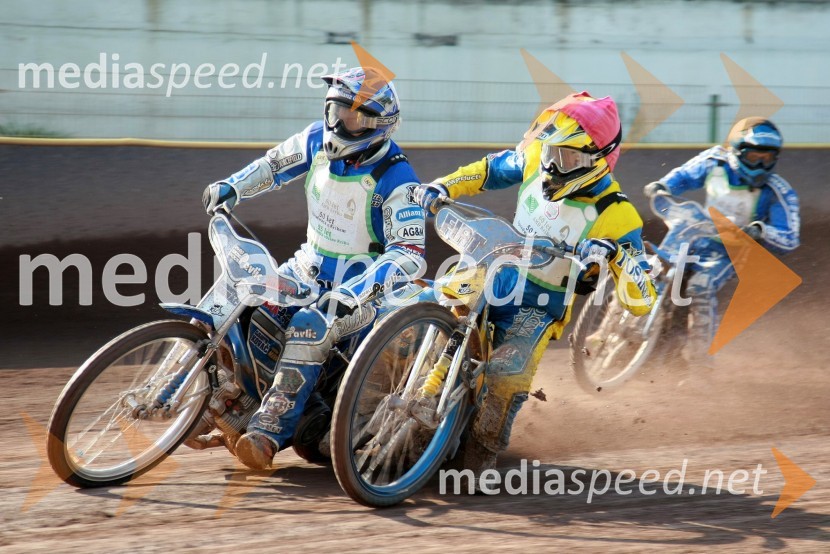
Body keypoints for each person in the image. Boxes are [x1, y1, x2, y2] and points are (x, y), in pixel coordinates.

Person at [414, 92, 657, 473]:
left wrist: (614, 253)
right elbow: (490, 170)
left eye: (568, 158)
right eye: (550, 152)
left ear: (598, 159)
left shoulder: (618, 214)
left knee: (507, 378)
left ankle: (480, 458)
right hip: (491, 268)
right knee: (416, 308)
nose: (553, 165)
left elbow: (642, 300)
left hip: (540, 303)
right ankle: (357, 409)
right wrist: (445, 186)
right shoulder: (535, 157)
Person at [202, 67, 426, 470]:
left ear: (380, 125)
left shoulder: (398, 179)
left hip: (359, 291)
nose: (339, 123)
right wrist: (232, 186)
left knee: (310, 325)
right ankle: (225, 394)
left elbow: (409, 254)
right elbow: (272, 166)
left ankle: (268, 431)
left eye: (353, 117)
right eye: (335, 111)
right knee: (243, 294)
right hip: (306, 268)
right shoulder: (314, 140)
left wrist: (352, 294)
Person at [643, 117, 799, 364]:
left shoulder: (778, 190)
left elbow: (790, 237)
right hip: (693, 232)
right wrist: (663, 186)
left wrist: (761, 231)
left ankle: (700, 361)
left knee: (700, 287)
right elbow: (684, 176)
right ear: (737, 151)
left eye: (767, 158)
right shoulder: (715, 160)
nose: (760, 165)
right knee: (652, 270)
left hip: (729, 251)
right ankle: (608, 330)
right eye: (753, 156)